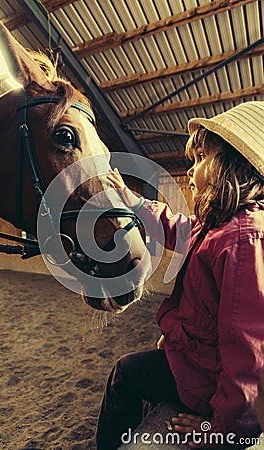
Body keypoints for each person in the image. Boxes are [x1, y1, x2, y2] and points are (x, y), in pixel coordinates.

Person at [96, 101, 264, 449]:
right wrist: (132, 200)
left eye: (201, 157)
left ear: (234, 165)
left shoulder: (244, 240)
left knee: (124, 374)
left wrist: (219, 433)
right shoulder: (220, 225)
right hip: (200, 361)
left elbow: (249, 356)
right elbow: (176, 227)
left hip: (211, 384)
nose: (192, 170)